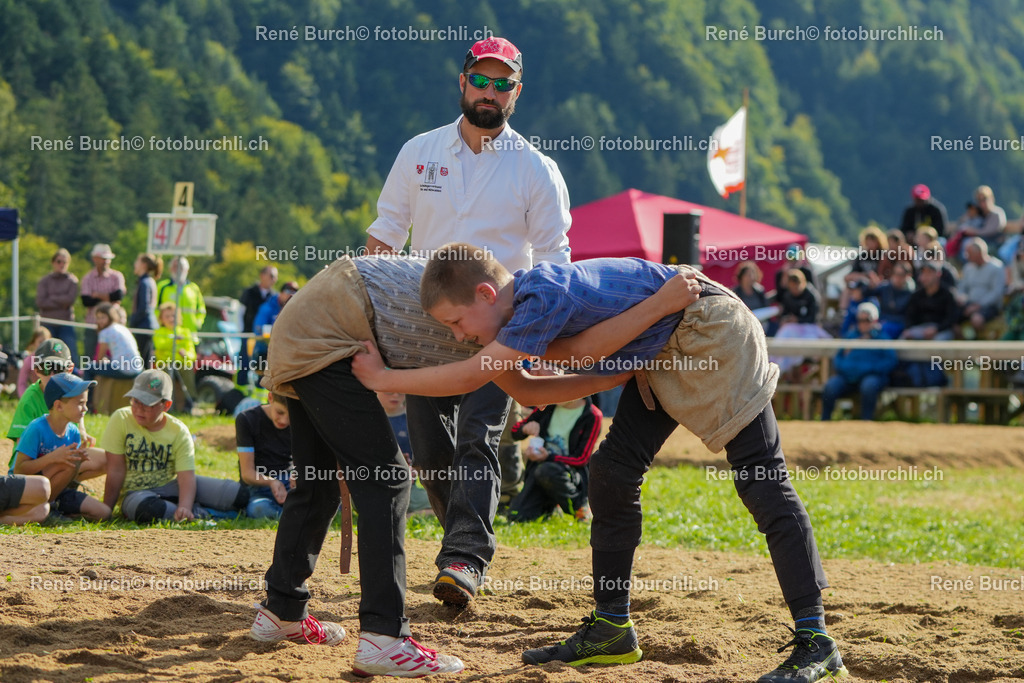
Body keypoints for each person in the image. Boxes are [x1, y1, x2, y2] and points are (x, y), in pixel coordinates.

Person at [351, 244, 846, 683]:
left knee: (762, 481)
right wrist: (615, 357)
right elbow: (530, 386)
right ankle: (612, 627)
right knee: (610, 475)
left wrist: (382, 379)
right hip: (661, 341)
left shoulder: (541, 293)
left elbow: (560, 357)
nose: (458, 337)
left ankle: (816, 639)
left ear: (485, 294)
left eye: (456, 323)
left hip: (706, 324)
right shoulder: (520, 314)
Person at [248, 254, 697, 677]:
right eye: (454, 325)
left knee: (318, 483)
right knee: (386, 481)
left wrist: (617, 374)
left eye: (459, 325)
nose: (459, 335)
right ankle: (384, 636)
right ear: (485, 293)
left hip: (304, 328)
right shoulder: (501, 310)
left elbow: (529, 390)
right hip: (328, 328)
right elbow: (545, 362)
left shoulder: (495, 317)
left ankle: (282, 610)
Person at [363, 36, 573, 606]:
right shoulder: (418, 151)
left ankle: (463, 558)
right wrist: (366, 320)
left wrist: (534, 345)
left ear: (517, 92)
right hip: (426, 323)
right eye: (480, 79)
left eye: (503, 83)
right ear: (462, 82)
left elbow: (555, 263)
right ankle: (463, 542)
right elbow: (383, 237)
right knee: (431, 452)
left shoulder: (537, 168)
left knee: (477, 438)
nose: (490, 91)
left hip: (502, 326)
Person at [100, 369, 249, 523]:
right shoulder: (121, 418)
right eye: (135, 401)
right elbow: (115, 469)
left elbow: (185, 476)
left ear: (166, 405)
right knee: (149, 510)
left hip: (171, 486)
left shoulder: (178, 431)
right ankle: (201, 513)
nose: (139, 409)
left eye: (147, 404)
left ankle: (186, 510)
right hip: (137, 494)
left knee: (239, 495)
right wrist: (106, 510)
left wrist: (185, 505)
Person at [11, 374, 111, 520]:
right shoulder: (36, 428)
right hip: (29, 491)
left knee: (103, 513)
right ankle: (47, 509)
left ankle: (55, 509)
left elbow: (68, 471)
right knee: (68, 462)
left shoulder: (73, 432)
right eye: (80, 403)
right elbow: (19, 469)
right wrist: (52, 457)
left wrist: (79, 460)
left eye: (86, 403)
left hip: (59, 491)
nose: (85, 409)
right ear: (58, 406)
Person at [7, 339, 107, 484]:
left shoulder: (70, 390)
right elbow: (24, 454)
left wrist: (82, 428)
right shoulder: (29, 400)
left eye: (59, 369)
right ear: (37, 370)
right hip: (30, 469)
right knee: (66, 462)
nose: (53, 375)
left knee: (106, 460)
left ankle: (63, 487)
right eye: (47, 368)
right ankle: (52, 492)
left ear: (70, 370)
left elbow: (78, 406)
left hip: (58, 458)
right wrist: (56, 457)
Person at [507, 389, 601, 522]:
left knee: (547, 470)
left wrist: (548, 457)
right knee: (516, 516)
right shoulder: (548, 406)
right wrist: (526, 428)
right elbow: (515, 431)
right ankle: (551, 508)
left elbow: (582, 459)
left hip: (570, 473)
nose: (554, 392)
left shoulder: (592, 415)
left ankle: (580, 507)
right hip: (538, 471)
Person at [820, 303, 899, 421]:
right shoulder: (850, 336)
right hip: (847, 377)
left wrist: (870, 368)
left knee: (868, 385)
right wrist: (846, 368)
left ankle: (866, 421)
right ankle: (825, 422)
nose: (863, 323)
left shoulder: (882, 338)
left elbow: (891, 361)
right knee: (831, 386)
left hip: (871, 376)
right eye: (860, 320)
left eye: (866, 320)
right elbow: (838, 359)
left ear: (875, 320)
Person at [236, 394, 293, 520]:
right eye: (280, 412)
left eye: (291, 416)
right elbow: (247, 473)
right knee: (259, 508)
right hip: (258, 485)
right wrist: (271, 481)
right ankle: (294, 517)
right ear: (270, 398)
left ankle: (292, 514)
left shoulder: (300, 420)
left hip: (289, 481)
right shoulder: (247, 419)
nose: (284, 421)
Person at [376, 391, 433, 516]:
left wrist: (411, 468)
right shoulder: (368, 417)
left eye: (401, 391)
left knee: (436, 500)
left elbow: (422, 455)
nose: (395, 396)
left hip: (407, 482)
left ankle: (411, 514)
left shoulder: (412, 418)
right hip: (376, 480)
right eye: (389, 391)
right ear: (376, 389)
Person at [80, 244, 127, 362]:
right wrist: (109, 297)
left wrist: (98, 295)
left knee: (115, 357)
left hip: (114, 325)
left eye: (108, 259)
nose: (106, 261)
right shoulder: (88, 278)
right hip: (93, 324)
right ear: (95, 259)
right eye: (103, 258)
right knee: (91, 358)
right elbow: (87, 301)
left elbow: (118, 296)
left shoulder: (116, 276)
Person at [152, 302, 198, 413]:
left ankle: (190, 400)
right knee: (166, 372)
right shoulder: (159, 332)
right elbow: (160, 345)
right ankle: (165, 401)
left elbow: (192, 353)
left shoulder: (185, 332)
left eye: (173, 316)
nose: (171, 319)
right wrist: (174, 340)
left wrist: (186, 355)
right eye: (167, 316)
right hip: (165, 363)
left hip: (182, 362)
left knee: (187, 369)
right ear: (161, 319)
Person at [35, 248, 80, 359]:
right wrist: (61, 302)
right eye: (59, 261)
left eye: (64, 262)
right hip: (47, 323)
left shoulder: (72, 281)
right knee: (46, 353)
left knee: (70, 352)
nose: (62, 265)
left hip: (66, 323)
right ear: (53, 262)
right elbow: (41, 302)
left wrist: (52, 298)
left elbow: (70, 300)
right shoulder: (44, 281)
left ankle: (75, 375)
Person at [957, 238, 1006, 337]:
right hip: (969, 304)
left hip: (989, 306)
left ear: (979, 253)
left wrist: (978, 305)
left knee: (977, 319)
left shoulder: (996, 267)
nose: (967, 256)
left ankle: (978, 346)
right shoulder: (968, 268)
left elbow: (996, 292)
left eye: (969, 253)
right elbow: (962, 287)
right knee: (951, 318)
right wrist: (961, 297)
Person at [900, 262, 960, 341]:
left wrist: (936, 329)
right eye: (923, 273)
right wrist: (908, 329)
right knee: (903, 338)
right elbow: (910, 316)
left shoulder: (948, 294)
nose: (925, 276)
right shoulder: (916, 295)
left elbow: (950, 319)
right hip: (921, 329)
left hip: (941, 330)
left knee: (938, 342)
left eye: (929, 273)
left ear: (938, 274)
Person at [239, 265, 279, 382]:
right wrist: (241, 330)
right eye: (271, 276)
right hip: (248, 334)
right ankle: (240, 390)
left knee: (262, 365)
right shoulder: (249, 292)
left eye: (275, 277)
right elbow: (240, 312)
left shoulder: (273, 296)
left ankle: (259, 389)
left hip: (264, 338)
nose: (274, 279)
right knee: (245, 362)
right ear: (262, 276)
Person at [155, 257, 206, 342]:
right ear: (170, 269)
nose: (178, 269)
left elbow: (201, 309)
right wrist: (160, 323)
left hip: (189, 336)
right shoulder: (162, 287)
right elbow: (155, 308)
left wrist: (197, 323)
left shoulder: (194, 288)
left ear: (187, 270)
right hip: (167, 337)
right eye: (175, 266)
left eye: (181, 266)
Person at [88, 303, 143, 379]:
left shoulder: (105, 332)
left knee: (89, 367)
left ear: (110, 317)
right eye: (98, 318)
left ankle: (87, 390)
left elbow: (99, 359)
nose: (100, 321)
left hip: (124, 370)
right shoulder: (123, 328)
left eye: (103, 317)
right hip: (138, 368)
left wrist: (103, 361)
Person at [129, 252, 163, 363]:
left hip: (143, 326)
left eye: (137, 262)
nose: (135, 264)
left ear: (143, 264)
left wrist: (132, 322)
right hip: (147, 325)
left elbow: (144, 308)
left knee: (142, 360)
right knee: (146, 359)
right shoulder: (148, 281)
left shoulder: (145, 282)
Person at [868, 262, 915, 339]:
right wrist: (871, 285)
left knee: (880, 332)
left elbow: (908, 317)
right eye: (895, 273)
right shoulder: (885, 287)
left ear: (908, 276)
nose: (897, 277)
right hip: (882, 321)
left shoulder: (911, 293)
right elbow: (868, 293)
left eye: (900, 275)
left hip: (898, 324)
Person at [17, 327, 51, 398]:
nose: (43, 345)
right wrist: (24, 398)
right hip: (37, 396)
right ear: (33, 343)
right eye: (40, 342)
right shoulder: (29, 360)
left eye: (46, 342)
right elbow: (21, 383)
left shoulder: (54, 359)